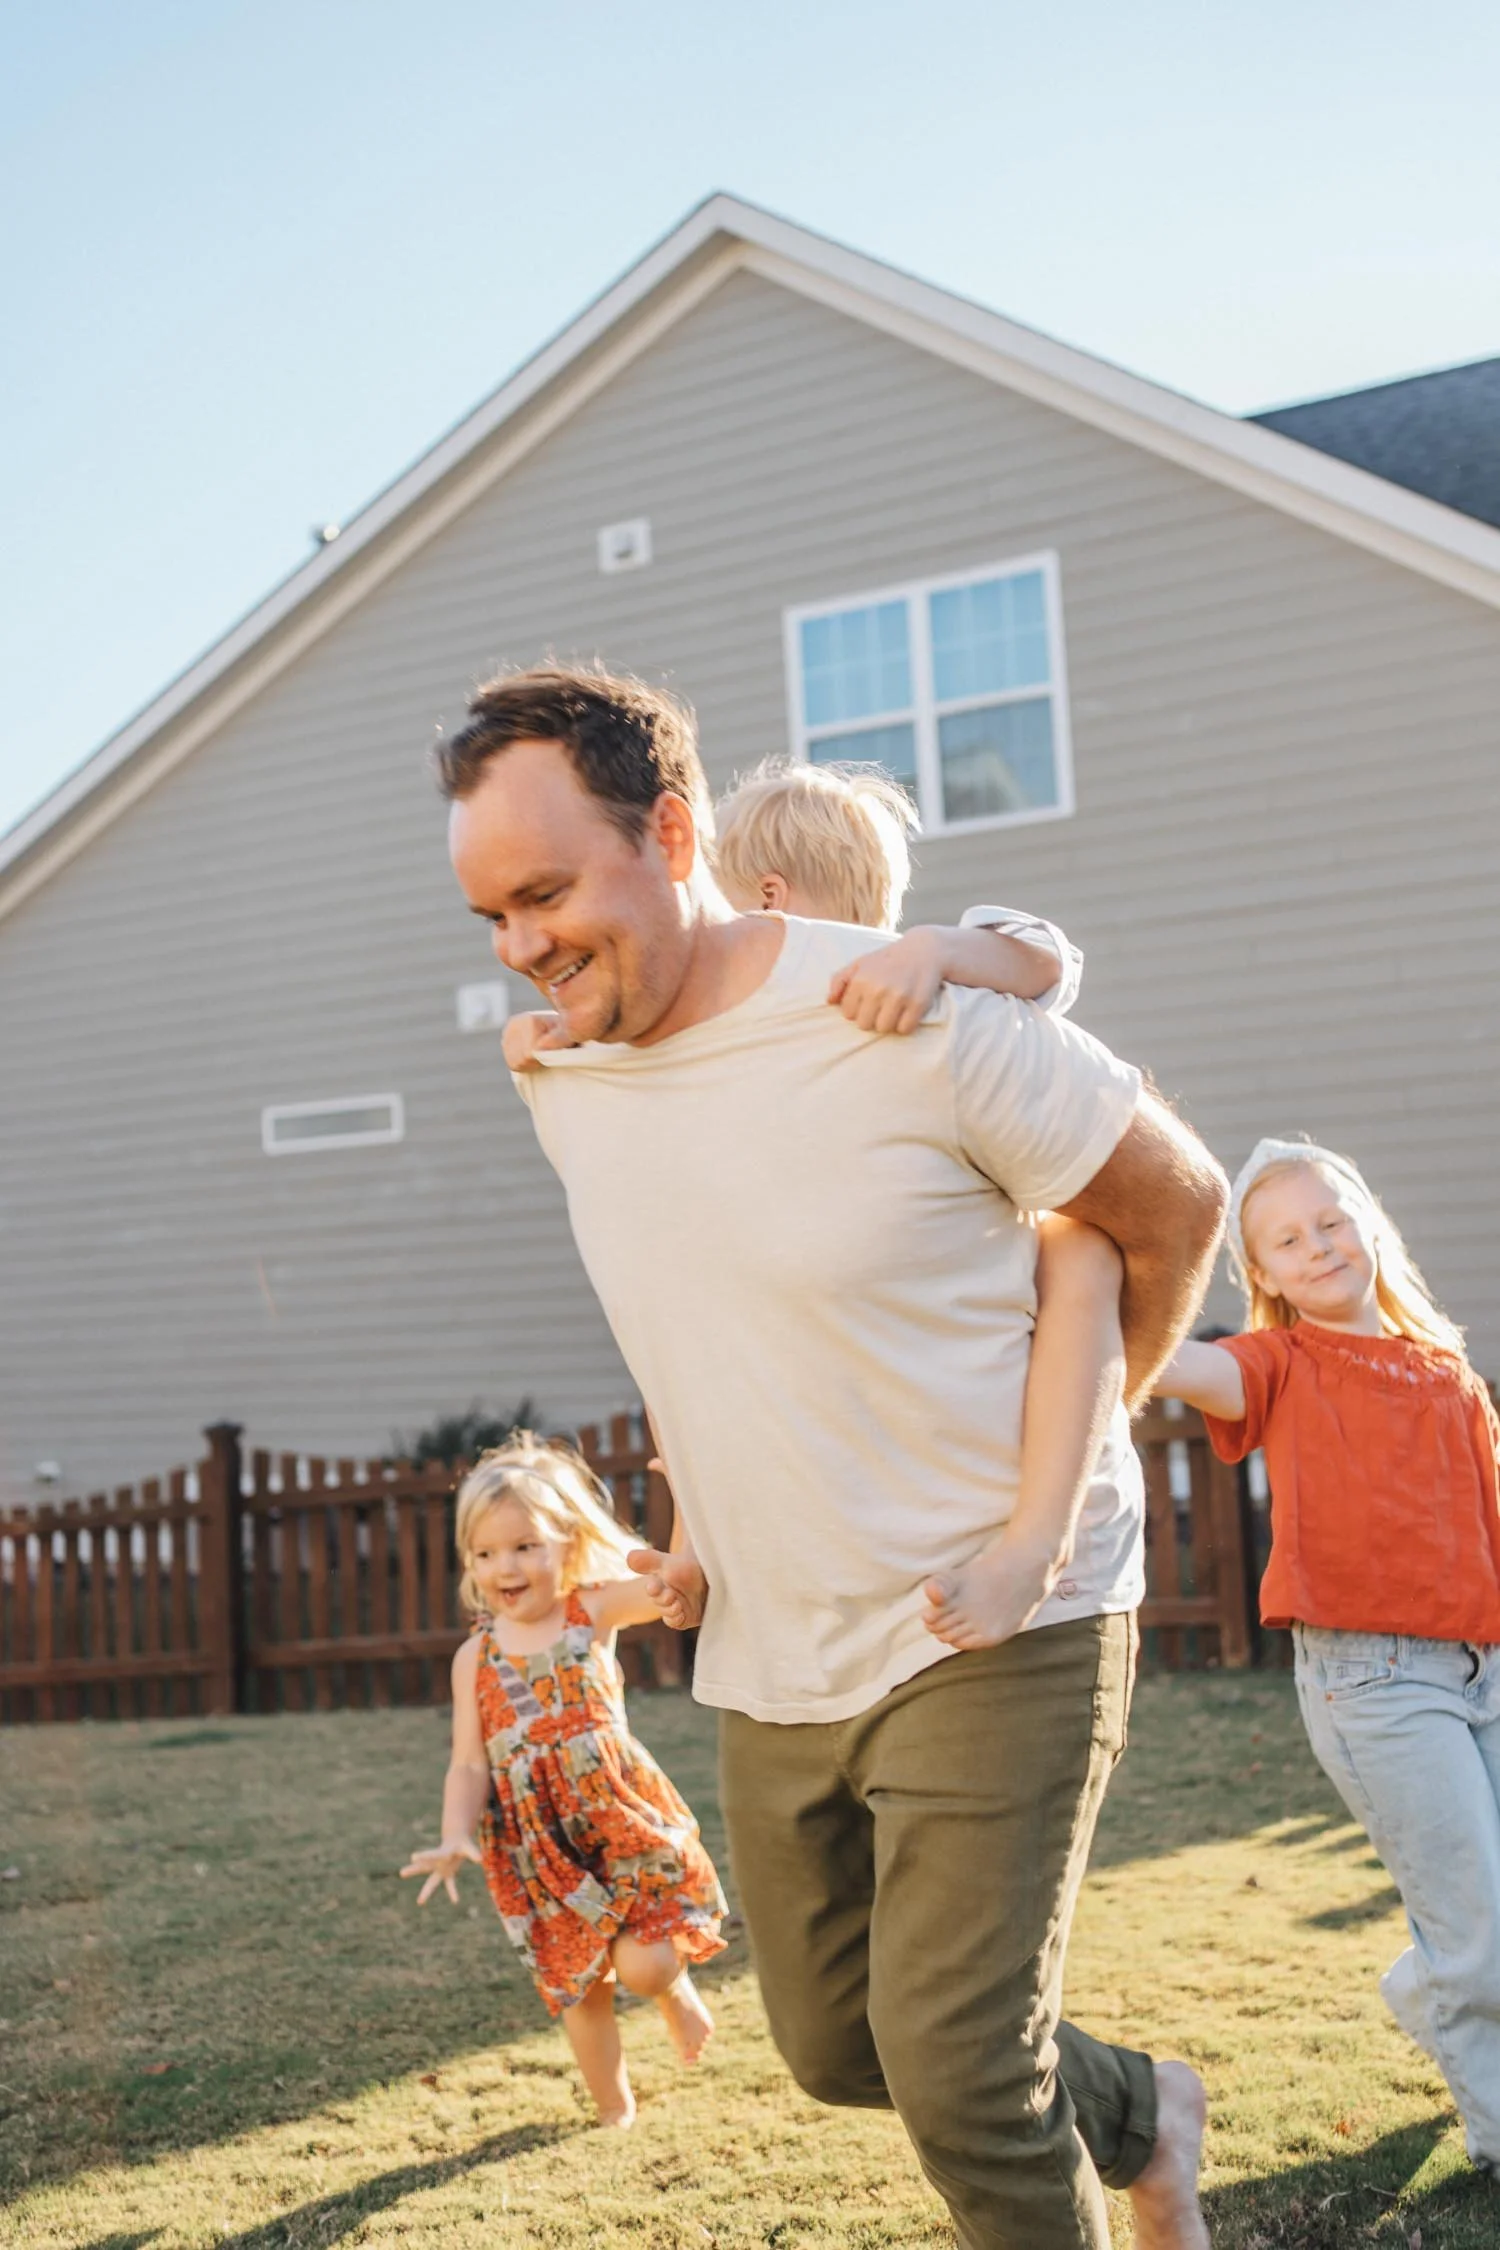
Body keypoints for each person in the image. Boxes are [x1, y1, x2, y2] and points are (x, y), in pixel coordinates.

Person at [441, 664, 1228, 2250]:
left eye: (547, 891)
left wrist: (1054, 1485)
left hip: (1001, 1613)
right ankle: (1146, 2109)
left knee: (957, 2068)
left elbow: (1174, 1206)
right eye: (491, 916)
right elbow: (713, 1318)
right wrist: (687, 1522)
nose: (523, 944)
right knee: (837, 2047)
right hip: (772, 1644)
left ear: (672, 831)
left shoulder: (909, 1007)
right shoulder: (566, 1080)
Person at [504, 754, 1122, 1657]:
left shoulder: (921, 983)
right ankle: (696, 1555)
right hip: (819, 1381)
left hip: (973, 1327)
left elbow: (1045, 955)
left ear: (767, 898)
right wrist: (561, 1033)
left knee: (1084, 1248)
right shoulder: (737, 1061)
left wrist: (935, 948)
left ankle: (1038, 1540)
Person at [1154, 1139, 1500, 2175]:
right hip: (1376, 1682)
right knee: (1479, 1922)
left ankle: (1421, 1987)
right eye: (1287, 1241)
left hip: (1483, 1663)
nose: (1317, 1248)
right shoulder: (1280, 1363)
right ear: (1262, 1274)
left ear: (1368, 1224)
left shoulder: (1447, 1368)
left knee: (1483, 1919)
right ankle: (1496, 2137)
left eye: (1331, 1222)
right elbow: (1186, 1368)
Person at [400, 1431, 724, 2130]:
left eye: (524, 1546)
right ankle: (614, 2111)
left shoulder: (590, 1612)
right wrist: (456, 1835)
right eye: (484, 1553)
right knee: (582, 1985)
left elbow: (672, 1580)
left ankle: (673, 1993)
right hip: (536, 1851)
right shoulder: (474, 1659)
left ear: (567, 1544)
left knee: (642, 1965)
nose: (503, 1566)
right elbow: (468, 1762)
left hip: (615, 1822)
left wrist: (686, 1501)